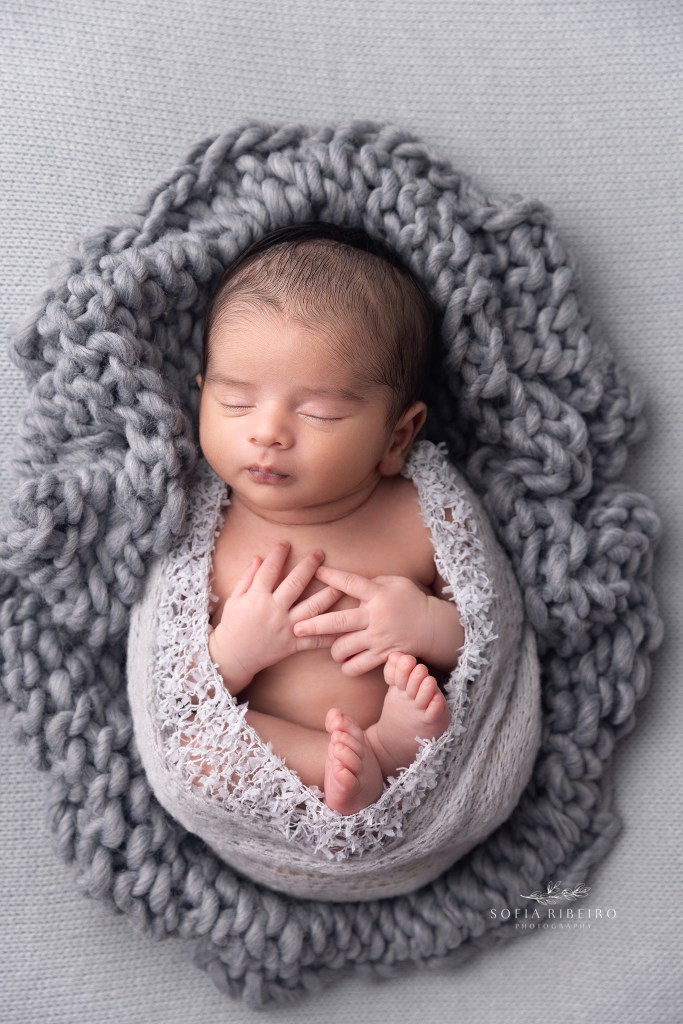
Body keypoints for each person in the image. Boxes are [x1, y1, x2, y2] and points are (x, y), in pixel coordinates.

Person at [192, 222, 464, 816]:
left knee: (425, 712)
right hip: (275, 761)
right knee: (204, 751)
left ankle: (393, 750)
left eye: (319, 413)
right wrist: (234, 653)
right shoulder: (205, 534)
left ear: (398, 436)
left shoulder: (418, 517)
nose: (266, 432)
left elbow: (489, 634)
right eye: (234, 402)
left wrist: (426, 625)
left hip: (407, 744)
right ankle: (351, 764)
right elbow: (183, 692)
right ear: (201, 393)